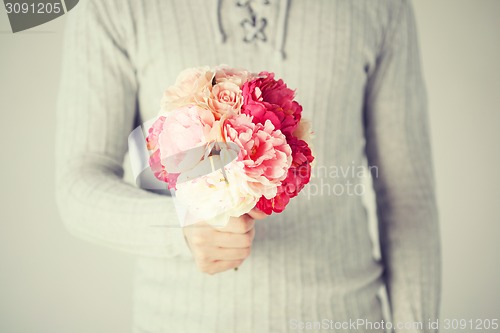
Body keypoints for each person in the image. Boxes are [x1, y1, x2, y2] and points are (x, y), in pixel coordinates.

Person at [55, 0, 441, 332]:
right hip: (178, 321)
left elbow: (408, 197)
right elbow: (79, 181)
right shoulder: (112, 7)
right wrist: (180, 225)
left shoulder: (380, 7)